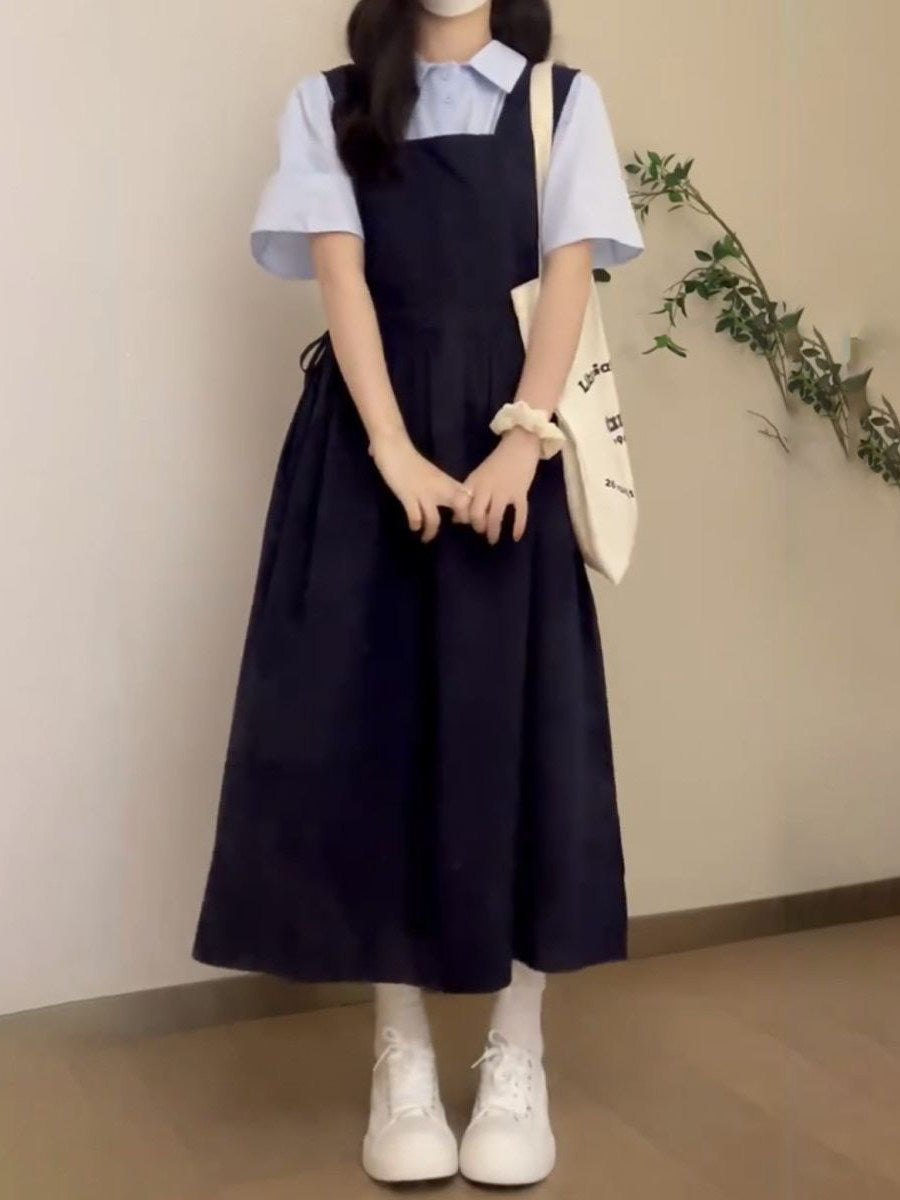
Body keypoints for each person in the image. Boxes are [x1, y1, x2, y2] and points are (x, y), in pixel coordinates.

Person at [192, 0, 644, 1185]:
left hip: (511, 445)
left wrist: (524, 441)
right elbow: (340, 284)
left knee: (523, 727)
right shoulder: (330, 105)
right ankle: (398, 1055)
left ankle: (517, 1050)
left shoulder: (559, 101)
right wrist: (392, 452)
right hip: (366, 452)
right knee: (375, 734)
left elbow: (567, 281)